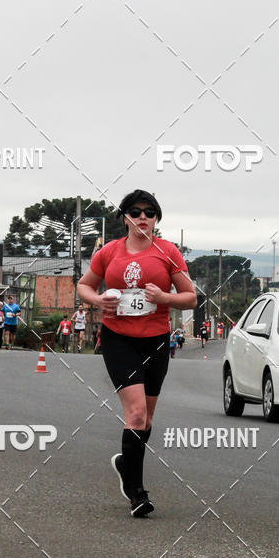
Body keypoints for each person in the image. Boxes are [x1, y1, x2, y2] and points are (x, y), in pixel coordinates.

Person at [77, 189, 197, 517]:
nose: (142, 217)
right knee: (137, 415)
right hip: (118, 339)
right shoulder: (109, 252)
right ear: (125, 218)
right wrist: (99, 300)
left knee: (147, 420)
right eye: (135, 211)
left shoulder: (168, 252)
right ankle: (137, 494)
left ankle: (125, 463)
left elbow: (190, 298)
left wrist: (163, 298)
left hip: (155, 341)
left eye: (149, 212)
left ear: (156, 218)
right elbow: (83, 285)